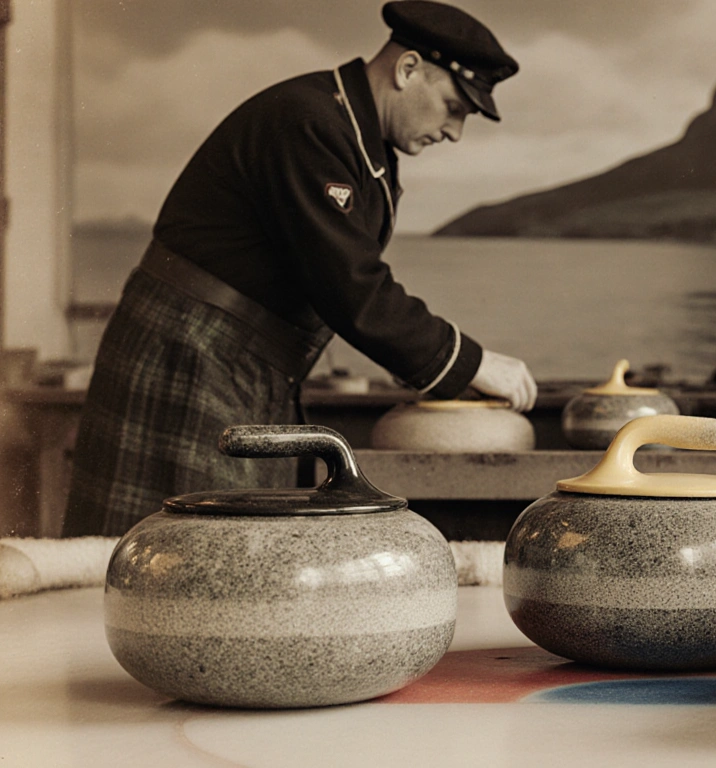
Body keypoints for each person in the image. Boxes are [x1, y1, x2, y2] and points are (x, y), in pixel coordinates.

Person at [63, 1, 537, 537]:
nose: (454, 132)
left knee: (225, 550)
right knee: (174, 548)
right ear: (408, 69)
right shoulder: (310, 122)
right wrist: (470, 362)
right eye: (453, 107)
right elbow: (350, 284)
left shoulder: (355, 134)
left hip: (238, 362)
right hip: (190, 356)